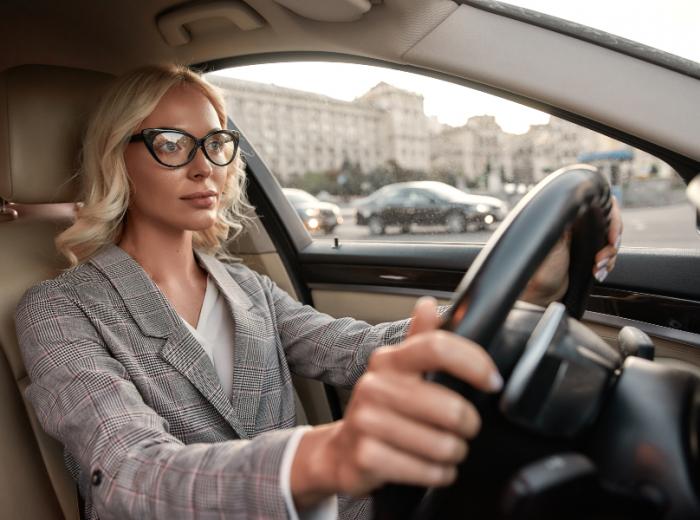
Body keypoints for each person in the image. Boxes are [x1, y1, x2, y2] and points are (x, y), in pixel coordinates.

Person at [15, 64, 621, 520]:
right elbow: (126, 472)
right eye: (171, 144)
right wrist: (327, 457)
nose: (204, 166)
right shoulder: (59, 309)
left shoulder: (247, 287)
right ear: (116, 156)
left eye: (217, 143)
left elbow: (355, 347)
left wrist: (529, 284)